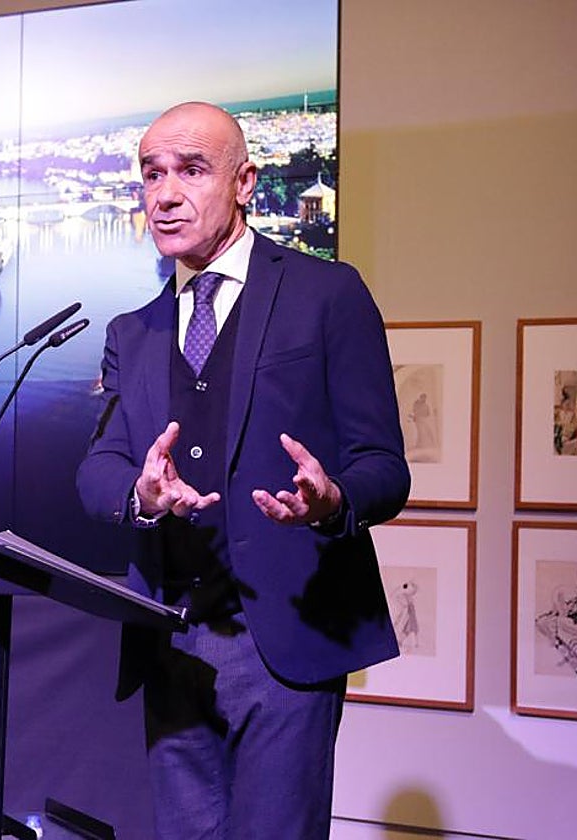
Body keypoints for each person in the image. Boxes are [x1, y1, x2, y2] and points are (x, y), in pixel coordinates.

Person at [76, 102, 410, 838]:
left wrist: (333, 500)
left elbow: (385, 466)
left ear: (245, 182)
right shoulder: (131, 333)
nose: (165, 193)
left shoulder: (329, 295)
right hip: (170, 642)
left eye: (191, 170)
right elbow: (97, 468)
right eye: (151, 173)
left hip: (286, 639)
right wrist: (139, 495)